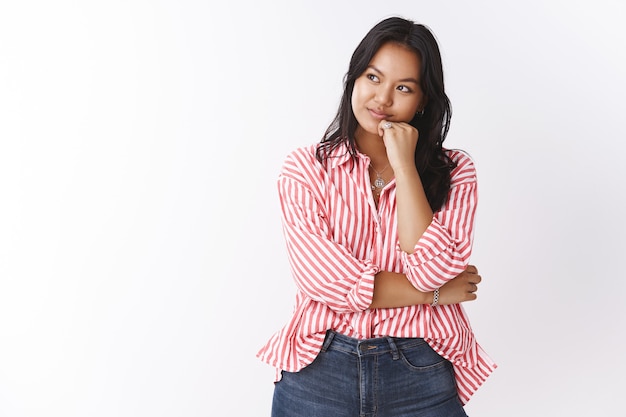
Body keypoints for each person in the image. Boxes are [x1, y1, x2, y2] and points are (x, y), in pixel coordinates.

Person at [257, 16, 496, 417]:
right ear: (354, 78)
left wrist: (404, 166)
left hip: (420, 370)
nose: (382, 99)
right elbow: (324, 281)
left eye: (403, 88)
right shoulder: (305, 169)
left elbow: (432, 270)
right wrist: (433, 297)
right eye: (373, 77)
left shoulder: (455, 171)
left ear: (422, 101)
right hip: (319, 370)